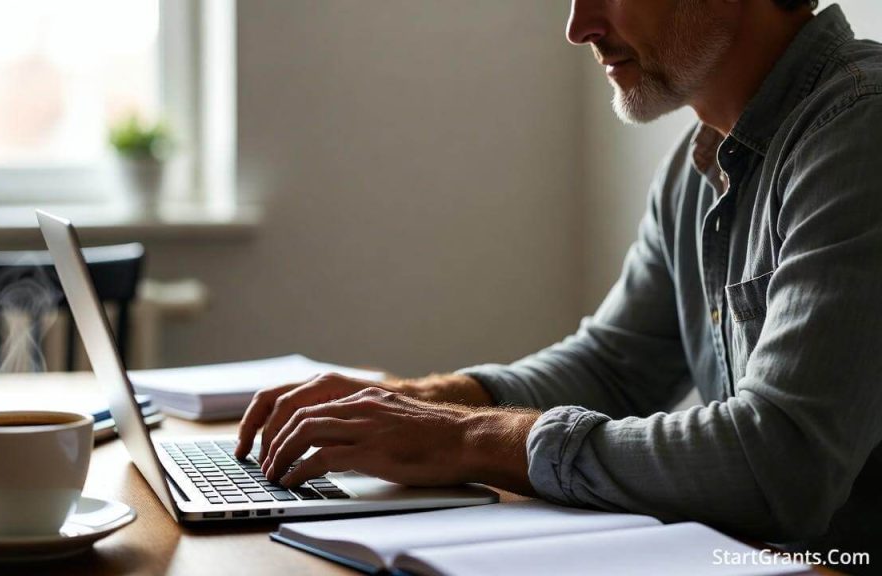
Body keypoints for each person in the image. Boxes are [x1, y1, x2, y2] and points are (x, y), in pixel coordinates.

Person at [236, 0, 882, 570]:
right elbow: (613, 366)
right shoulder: (698, 167)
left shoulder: (861, 127)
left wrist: (461, 438)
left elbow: (781, 464)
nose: (579, 27)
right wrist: (416, 402)